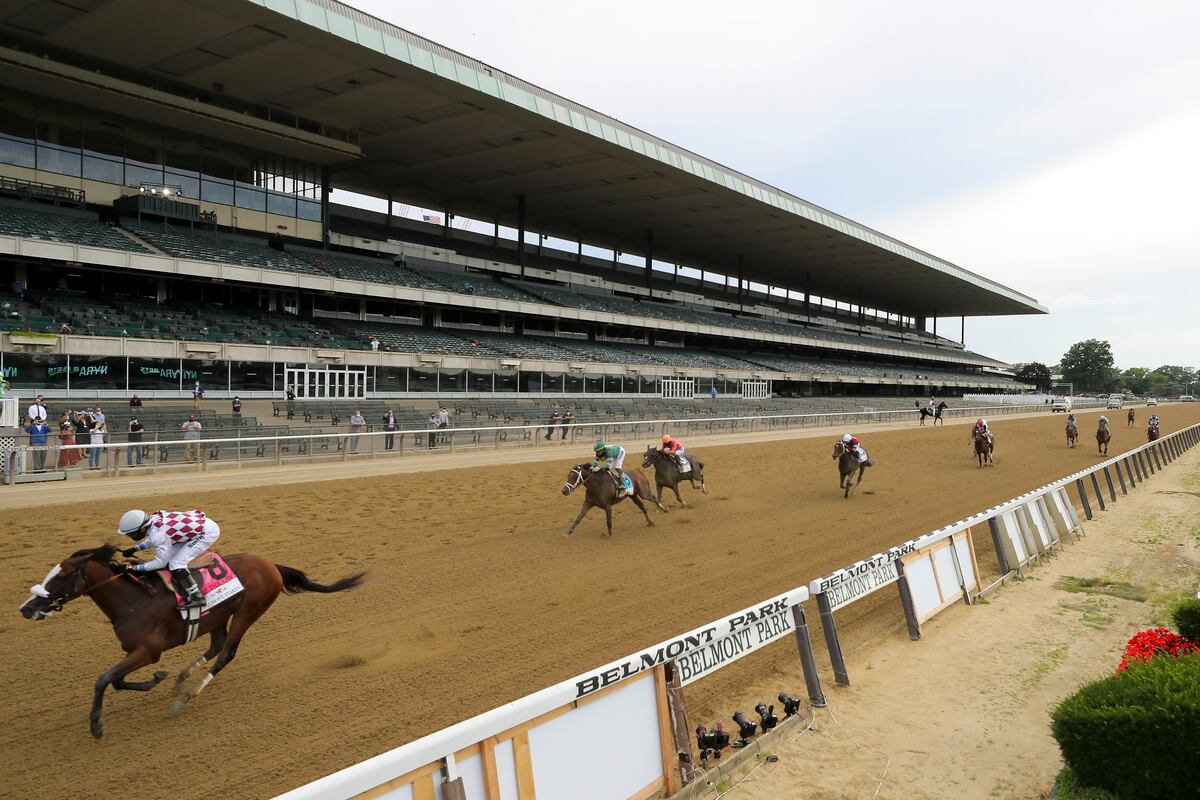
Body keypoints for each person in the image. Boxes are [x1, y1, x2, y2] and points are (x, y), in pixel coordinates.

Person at [115, 509, 220, 610]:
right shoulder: (152, 521)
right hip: (195, 528)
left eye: (131, 534)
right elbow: (154, 539)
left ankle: (197, 597)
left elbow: (160, 562)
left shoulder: (158, 534)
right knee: (170, 560)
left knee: (176, 563)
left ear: (142, 528)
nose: (129, 537)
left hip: (206, 533)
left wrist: (133, 568)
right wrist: (135, 548)